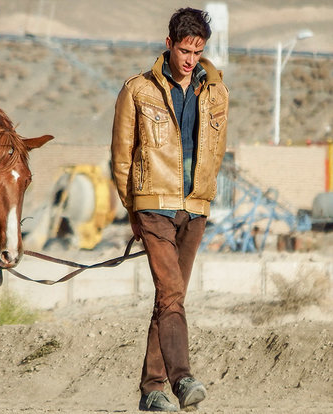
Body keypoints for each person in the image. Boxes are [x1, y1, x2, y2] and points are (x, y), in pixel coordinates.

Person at [110, 7, 229, 412]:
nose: (190, 58)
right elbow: (122, 155)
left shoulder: (217, 91)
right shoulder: (138, 90)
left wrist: (206, 198)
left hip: (195, 208)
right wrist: (132, 208)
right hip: (153, 204)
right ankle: (181, 379)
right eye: (184, 49)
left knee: (169, 297)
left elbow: (216, 152)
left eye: (197, 51)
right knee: (172, 294)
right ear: (169, 45)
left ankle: (151, 389)